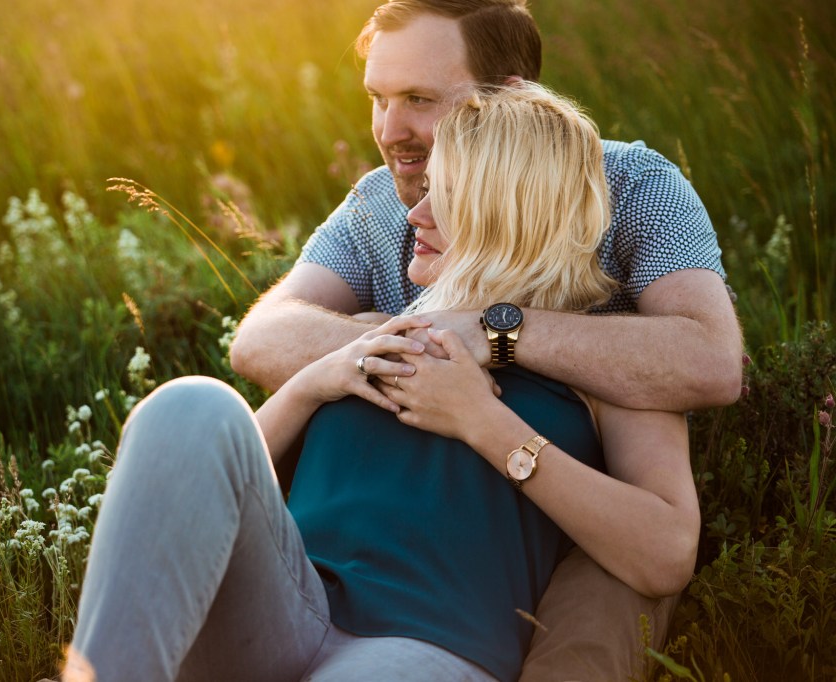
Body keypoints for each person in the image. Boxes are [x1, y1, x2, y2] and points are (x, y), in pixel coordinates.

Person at [59, 83, 700, 682]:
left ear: (512, 217)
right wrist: (315, 381)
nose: (414, 214)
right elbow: (207, 492)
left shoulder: (604, 363)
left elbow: (664, 553)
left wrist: (485, 423)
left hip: (427, 647)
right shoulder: (373, 326)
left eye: (443, 196)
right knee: (190, 407)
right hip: (290, 604)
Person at [228, 1, 743, 677]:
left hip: (568, 513)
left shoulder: (634, 187)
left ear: (513, 99)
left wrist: (496, 337)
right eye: (378, 99)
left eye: (419, 99)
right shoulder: (385, 201)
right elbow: (262, 337)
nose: (390, 131)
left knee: (597, 609)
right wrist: (403, 341)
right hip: (356, 565)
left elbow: (707, 362)